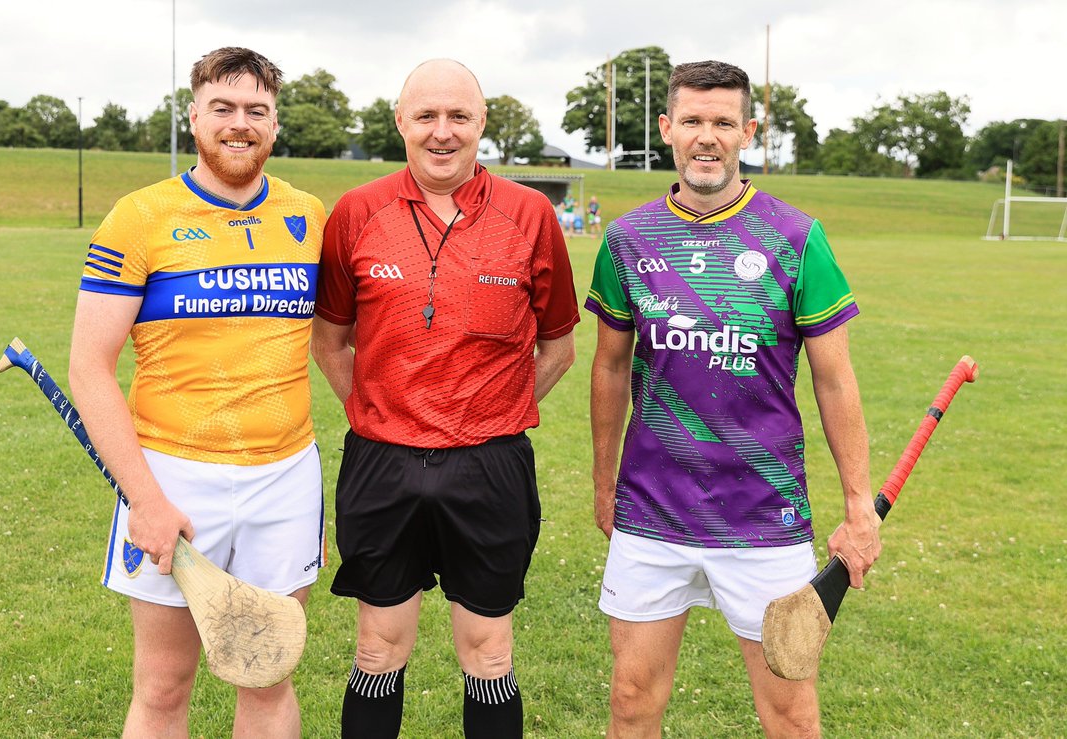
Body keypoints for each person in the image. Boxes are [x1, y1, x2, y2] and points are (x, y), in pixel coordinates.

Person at [586, 60, 881, 737]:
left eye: (723, 122)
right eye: (692, 120)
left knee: (791, 715)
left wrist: (859, 505)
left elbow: (835, 379)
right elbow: (608, 368)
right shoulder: (629, 240)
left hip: (764, 515)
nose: (707, 136)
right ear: (667, 129)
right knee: (632, 699)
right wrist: (605, 480)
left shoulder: (799, 238)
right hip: (652, 512)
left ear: (749, 131)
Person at [310, 58, 580, 739]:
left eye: (459, 116)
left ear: (482, 123)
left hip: (489, 465)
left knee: (488, 652)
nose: (442, 131)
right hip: (382, 462)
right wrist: (379, 410)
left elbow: (558, 347)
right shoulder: (355, 212)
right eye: (426, 115)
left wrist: (491, 412)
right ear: (400, 121)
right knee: (377, 648)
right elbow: (330, 342)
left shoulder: (531, 214)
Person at [68, 47, 326, 738]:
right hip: (173, 477)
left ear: (274, 124)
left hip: (284, 478)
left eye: (256, 111)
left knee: (266, 672)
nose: (239, 124)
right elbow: (90, 367)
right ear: (194, 116)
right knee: (161, 683)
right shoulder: (140, 216)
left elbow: (339, 339)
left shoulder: (309, 216)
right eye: (223, 108)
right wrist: (146, 500)